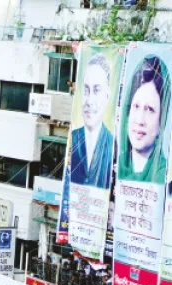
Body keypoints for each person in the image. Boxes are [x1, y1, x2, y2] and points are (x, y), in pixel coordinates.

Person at [119, 54, 171, 182]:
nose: (140, 120)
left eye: (150, 109)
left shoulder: (166, 177)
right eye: (136, 106)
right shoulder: (111, 169)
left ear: (161, 123)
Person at [70, 53, 116, 189]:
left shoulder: (112, 144)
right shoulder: (73, 138)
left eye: (96, 90)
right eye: (85, 90)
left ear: (107, 96)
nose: (89, 101)